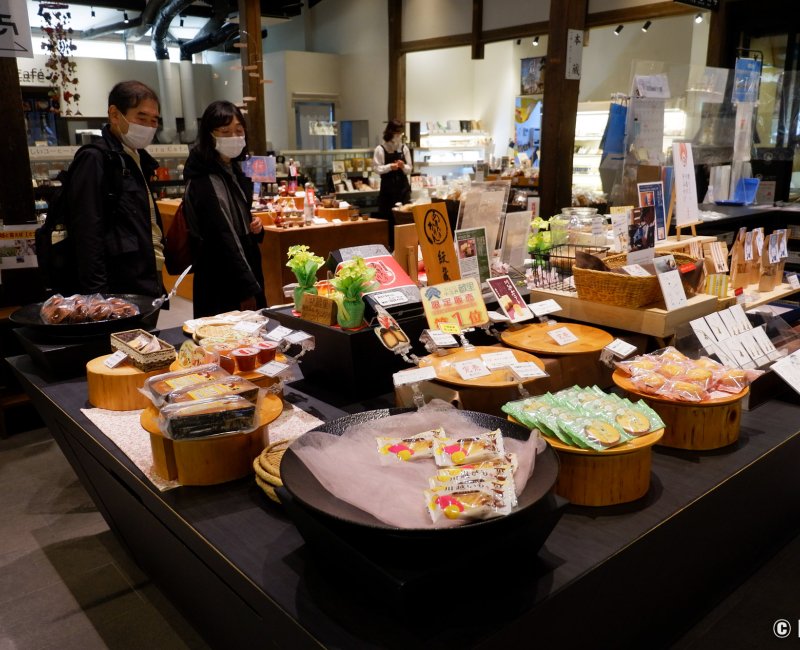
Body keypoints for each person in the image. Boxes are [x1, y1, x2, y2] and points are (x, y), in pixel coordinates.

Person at [66, 80, 165, 298]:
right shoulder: (95, 158)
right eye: (141, 118)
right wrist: (97, 296)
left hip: (145, 275)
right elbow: (87, 232)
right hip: (116, 286)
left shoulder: (138, 158)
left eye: (154, 120)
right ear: (114, 114)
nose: (148, 126)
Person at [182, 100, 266, 318]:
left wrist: (255, 227)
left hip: (242, 266)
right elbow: (223, 236)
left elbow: (237, 219)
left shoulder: (233, 169)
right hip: (222, 276)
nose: (234, 137)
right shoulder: (204, 178)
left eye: (239, 131)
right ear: (210, 135)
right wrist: (247, 287)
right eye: (225, 132)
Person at [373, 119, 412, 249]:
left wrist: (402, 166)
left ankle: (405, 246)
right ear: (390, 132)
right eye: (396, 133)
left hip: (403, 189)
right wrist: (390, 167)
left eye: (400, 133)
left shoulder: (404, 148)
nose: (398, 136)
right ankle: (389, 247)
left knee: (404, 218)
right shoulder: (380, 149)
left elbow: (409, 169)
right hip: (388, 190)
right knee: (388, 219)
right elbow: (376, 168)